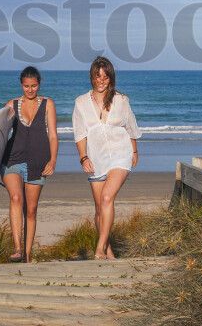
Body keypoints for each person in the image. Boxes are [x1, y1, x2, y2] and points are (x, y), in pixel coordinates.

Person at [0, 66, 58, 262]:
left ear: (39, 84)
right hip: (12, 160)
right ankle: (17, 249)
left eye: (34, 86)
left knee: (31, 211)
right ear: (21, 84)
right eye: (26, 86)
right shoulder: (12, 104)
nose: (30, 90)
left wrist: (53, 159)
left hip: (38, 162)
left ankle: (26, 256)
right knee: (16, 198)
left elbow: (52, 135)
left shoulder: (48, 104)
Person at [73, 56, 140, 260]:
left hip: (121, 154)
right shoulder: (81, 102)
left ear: (111, 78)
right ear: (92, 77)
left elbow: (131, 128)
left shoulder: (121, 100)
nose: (101, 80)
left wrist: (134, 151)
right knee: (99, 208)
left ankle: (100, 248)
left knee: (106, 198)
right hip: (95, 158)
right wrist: (83, 158)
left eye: (105, 77)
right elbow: (79, 134)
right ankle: (109, 252)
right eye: (97, 76)